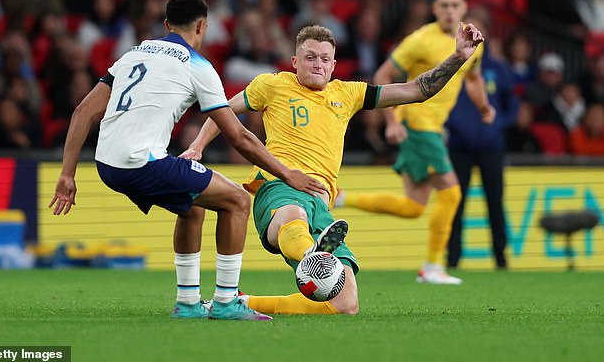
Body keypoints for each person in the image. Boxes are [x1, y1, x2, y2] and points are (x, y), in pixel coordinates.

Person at [48, 0, 326, 321]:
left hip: (106, 163)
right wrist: (286, 174)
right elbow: (238, 136)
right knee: (237, 200)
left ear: (166, 24)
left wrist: (67, 174)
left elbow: (82, 111)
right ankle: (226, 302)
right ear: (202, 26)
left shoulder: (131, 55)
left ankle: (188, 302)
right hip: (141, 162)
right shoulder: (199, 66)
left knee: (192, 206)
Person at [183, 21, 486, 314]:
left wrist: (458, 56)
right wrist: (197, 146)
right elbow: (221, 111)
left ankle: (242, 302)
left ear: (333, 64)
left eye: (324, 59)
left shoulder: (348, 93)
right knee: (294, 215)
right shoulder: (272, 85)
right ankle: (312, 255)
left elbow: (417, 90)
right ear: (295, 61)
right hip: (280, 186)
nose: (317, 64)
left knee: (345, 304)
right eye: (310, 57)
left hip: (321, 204)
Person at [336, 0, 495, 285]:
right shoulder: (420, 39)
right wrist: (392, 120)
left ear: (464, 9)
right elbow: (382, 77)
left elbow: (472, 77)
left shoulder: (473, 41)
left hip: (432, 129)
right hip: (418, 125)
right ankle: (432, 267)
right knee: (451, 193)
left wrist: (485, 108)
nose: (449, 10)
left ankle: (341, 198)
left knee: (413, 207)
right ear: (434, 9)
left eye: (454, 5)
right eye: (444, 5)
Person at [445, 11, 519, 270]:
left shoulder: (497, 68)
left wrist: (499, 125)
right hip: (459, 147)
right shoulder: (453, 65)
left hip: (491, 147)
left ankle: (501, 257)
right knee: (455, 204)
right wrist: (453, 125)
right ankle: (452, 258)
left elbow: (512, 103)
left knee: (495, 203)